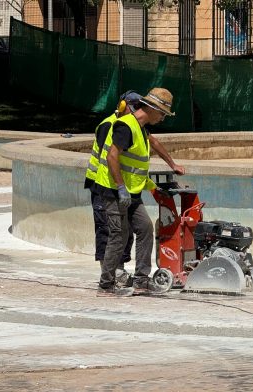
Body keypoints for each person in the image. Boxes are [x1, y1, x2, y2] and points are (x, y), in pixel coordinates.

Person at [93, 87, 185, 296]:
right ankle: (106, 285)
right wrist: (120, 188)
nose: (163, 118)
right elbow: (112, 157)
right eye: (162, 113)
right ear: (152, 108)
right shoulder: (125, 126)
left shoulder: (140, 128)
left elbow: (137, 166)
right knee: (118, 236)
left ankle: (141, 281)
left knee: (145, 228)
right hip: (113, 190)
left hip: (131, 192)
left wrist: (155, 185)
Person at [84, 91, 141, 286]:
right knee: (106, 229)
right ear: (125, 106)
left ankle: (119, 269)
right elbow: (110, 157)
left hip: (116, 185)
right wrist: (119, 185)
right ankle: (108, 271)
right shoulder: (108, 125)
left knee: (125, 230)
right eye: (135, 107)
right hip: (102, 185)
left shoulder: (129, 127)